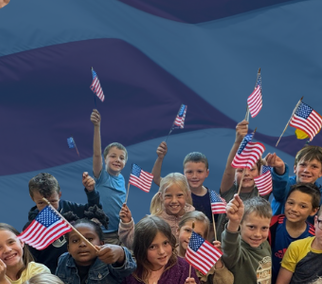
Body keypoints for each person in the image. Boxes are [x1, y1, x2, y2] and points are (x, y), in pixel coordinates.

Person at [55, 220, 136, 284]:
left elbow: (129, 268)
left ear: (101, 244)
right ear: (68, 248)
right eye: (75, 241)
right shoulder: (63, 261)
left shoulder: (109, 259)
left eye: (89, 239)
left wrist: (121, 253)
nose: (82, 244)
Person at [24, 172, 106, 273]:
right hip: (51, 274)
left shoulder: (69, 208)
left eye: (53, 201)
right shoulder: (33, 227)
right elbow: (31, 259)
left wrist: (91, 192)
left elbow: (95, 212)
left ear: (59, 195)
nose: (48, 207)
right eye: (41, 203)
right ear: (33, 198)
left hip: (80, 269)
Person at [220, 195, 273, 284]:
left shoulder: (264, 244)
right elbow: (229, 247)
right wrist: (233, 224)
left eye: (264, 228)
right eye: (252, 227)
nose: (258, 234)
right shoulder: (238, 251)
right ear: (241, 224)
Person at [176, 211, 234, 284]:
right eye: (188, 230)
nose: (191, 237)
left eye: (198, 235)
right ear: (178, 231)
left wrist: (217, 261)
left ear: (205, 238)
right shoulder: (169, 256)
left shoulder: (205, 257)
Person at [118, 172, 194, 249]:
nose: (174, 200)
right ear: (161, 196)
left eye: (179, 195)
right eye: (168, 196)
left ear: (187, 195)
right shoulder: (154, 221)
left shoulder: (196, 220)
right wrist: (127, 223)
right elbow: (133, 243)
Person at [90, 110, 127, 239]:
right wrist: (97, 126)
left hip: (119, 232)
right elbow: (96, 154)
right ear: (104, 160)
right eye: (113, 156)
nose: (118, 160)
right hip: (102, 233)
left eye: (122, 158)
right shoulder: (102, 176)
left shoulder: (122, 179)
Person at [262, 142, 322, 208]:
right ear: (295, 168)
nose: (306, 170)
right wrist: (280, 170)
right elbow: (280, 190)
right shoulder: (285, 185)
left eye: (314, 167)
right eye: (303, 165)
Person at [181, 151, 214, 223]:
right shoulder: (179, 195)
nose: (194, 176)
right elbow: (158, 179)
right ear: (184, 172)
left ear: (207, 173)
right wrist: (160, 158)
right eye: (190, 172)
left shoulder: (213, 198)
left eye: (199, 171)